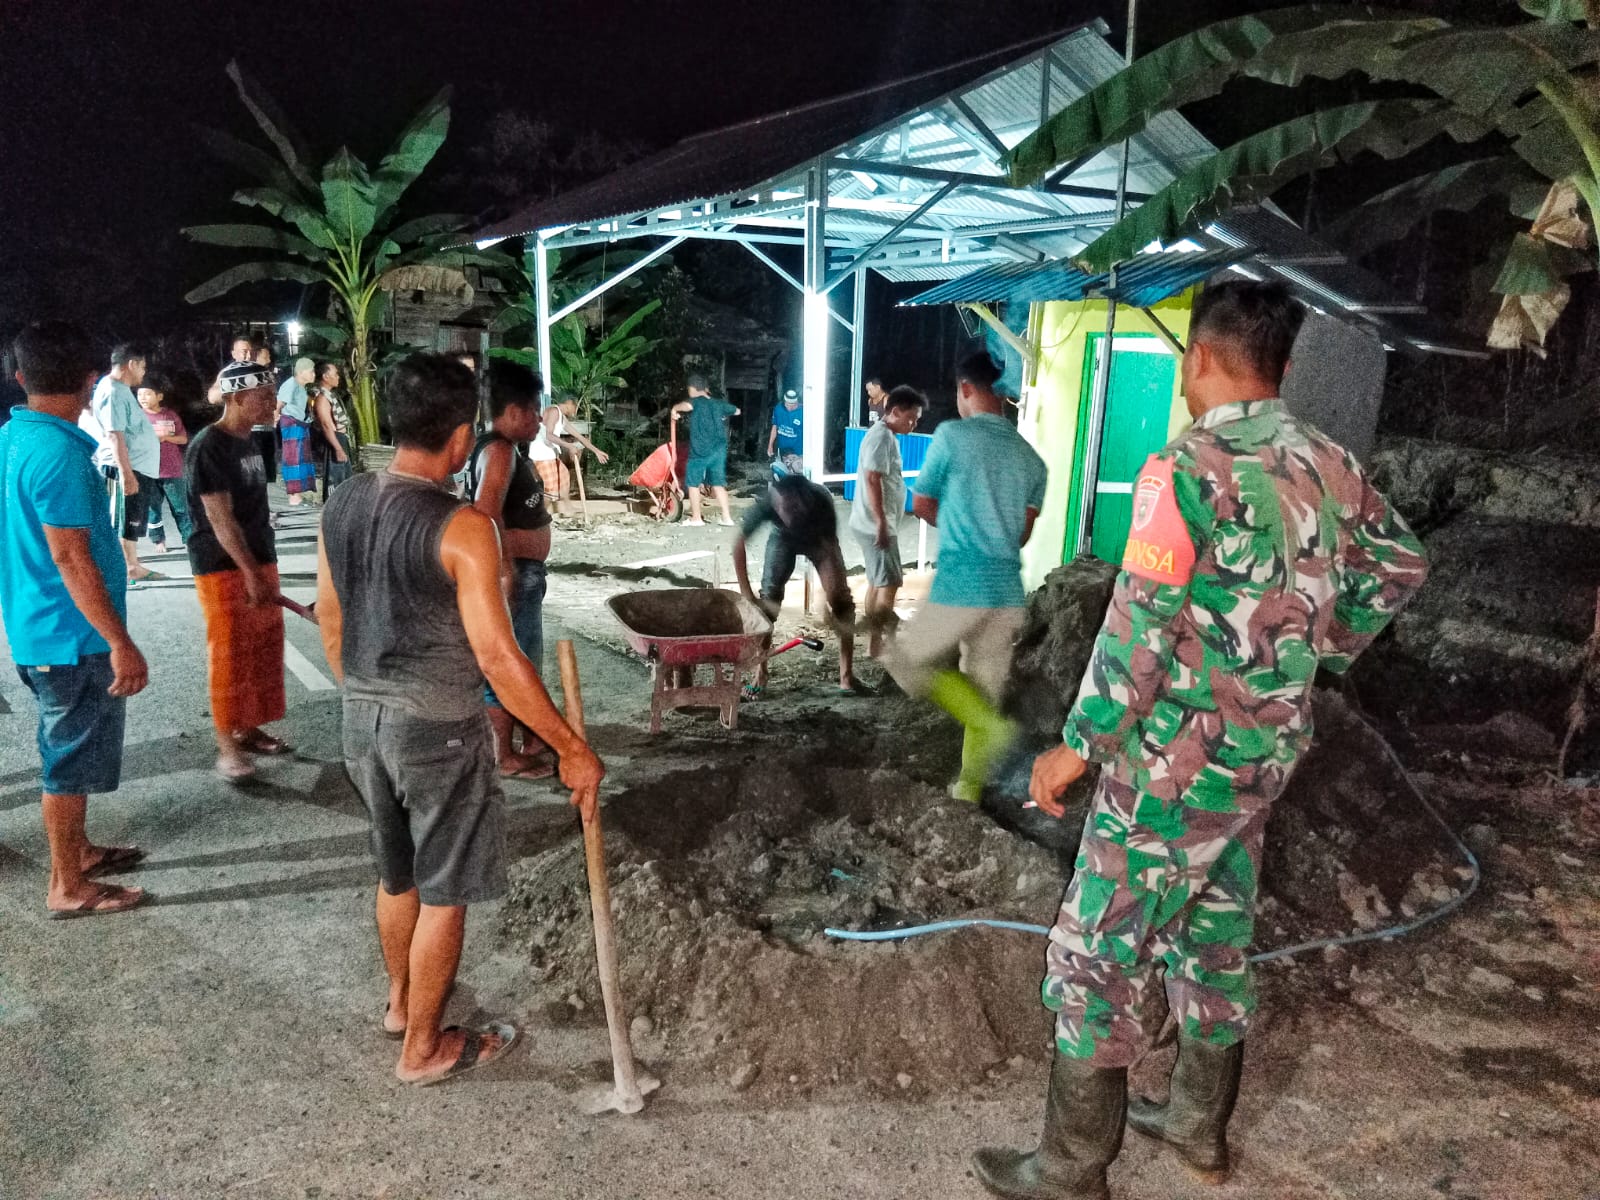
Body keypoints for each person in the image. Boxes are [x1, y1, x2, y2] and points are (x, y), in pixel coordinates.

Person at [973, 281, 1430, 1200]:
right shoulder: (1326, 460)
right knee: (1213, 931)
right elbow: (1401, 563)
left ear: (1198, 360)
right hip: (1262, 757)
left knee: (1093, 953)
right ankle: (1194, 1126)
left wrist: (1079, 744)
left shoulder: (1186, 468)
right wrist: (1320, 653)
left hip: (1171, 764)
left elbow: (1140, 624)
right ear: (1285, 366)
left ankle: (1069, 1169)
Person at [316, 353, 605, 1086]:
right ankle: (424, 1047)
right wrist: (572, 749)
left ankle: (400, 1005)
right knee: (444, 887)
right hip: (437, 730)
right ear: (461, 436)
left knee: (396, 874)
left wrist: (363, 686)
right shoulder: (464, 526)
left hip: (362, 719)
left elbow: (329, 614)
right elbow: (501, 661)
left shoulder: (344, 501)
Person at [1, 321, 150, 917]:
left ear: (20, 378)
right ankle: (67, 886)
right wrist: (121, 641)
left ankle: (79, 852)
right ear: (90, 382)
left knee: (70, 752)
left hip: (39, 629)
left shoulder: (15, 438)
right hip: (71, 638)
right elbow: (70, 556)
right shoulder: (59, 453)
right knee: (65, 759)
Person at [887, 352, 1047, 803]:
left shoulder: (952, 437)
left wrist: (962, 525)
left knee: (906, 661)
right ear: (1004, 393)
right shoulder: (1031, 459)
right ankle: (968, 792)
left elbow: (920, 504)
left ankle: (995, 730)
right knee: (984, 689)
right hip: (1007, 593)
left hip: (961, 582)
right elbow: (1021, 534)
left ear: (965, 389)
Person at [184, 360, 290, 782]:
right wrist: (250, 571)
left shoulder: (250, 441)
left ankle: (248, 728)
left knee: (263, 649)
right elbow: (220, 519)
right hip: (223, 566)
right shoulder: (210, 446)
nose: (272, 403)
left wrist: (262, 564)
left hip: (258, 557)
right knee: (229, 653)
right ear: (236, 398)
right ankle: (227, 747)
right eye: (263, 396)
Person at [468, 361, 555, 779]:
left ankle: (530, 738)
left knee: (524, 662)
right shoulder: (499, 451)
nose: (540, 419)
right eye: (536, 411)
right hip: (516, 575)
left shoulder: (505, 449)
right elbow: (486, 516)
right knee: (511, 665)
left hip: (523, 572)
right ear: (516, 411)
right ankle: (504, 755)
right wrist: (505, 573)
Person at [733, 472, 867, 698]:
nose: (789, 513)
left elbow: (829, 549)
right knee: (767, 604)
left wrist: (826, 598)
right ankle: (760, 673)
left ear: (805, 500)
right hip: (783, 538)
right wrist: (746, 593)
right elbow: (738, 544)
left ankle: (847, 676)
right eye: (784, 509)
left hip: (818, 539)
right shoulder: (770, 503)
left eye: (795, 508)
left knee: (842, 603)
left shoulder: (821, 500)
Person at [848, 385, 924, 658]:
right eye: (911, 418)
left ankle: (874, 640)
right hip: (875, 524)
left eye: (917, 420)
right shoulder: (881, 437)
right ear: (895, 412)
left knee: (877, 581)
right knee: (890, 582)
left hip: (873, 522)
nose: (913, 424)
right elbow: (872, 478)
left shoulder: (888, 436)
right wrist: (881, 522)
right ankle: (880, 642)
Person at [87, 344, 168, 586]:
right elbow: (115, 435)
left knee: (131, 520)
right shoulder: (113, 391)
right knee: (123, 521)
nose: (143, 372)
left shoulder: (119, 390)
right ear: (131, 364)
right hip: (126, 468)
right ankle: (126, 568)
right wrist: (126, 473)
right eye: (142, 367)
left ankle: (132, 564)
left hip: (136, 467)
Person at [671, 374, 739, 527]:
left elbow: (685, 407)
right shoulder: (718, 404)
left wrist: (674, 409)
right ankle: (727, 518)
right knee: (718, 484)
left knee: (693, 484)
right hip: (718, 451)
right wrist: (722, 416)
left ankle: (696, 518)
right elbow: (737, 411)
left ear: (692, 389)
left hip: (700, 451)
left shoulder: (695, 402)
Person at [136, 372, 194, 549]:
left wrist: (165, 438)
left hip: (172, 470)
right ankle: (158, 540)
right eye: (139, 394)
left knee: (181, 507)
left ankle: (189, 539)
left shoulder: (170, 416)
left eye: (147, 394)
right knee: (153, 509)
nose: (143, 398)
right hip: (148, 471)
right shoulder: (136, 417)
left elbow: (183, 439)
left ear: (159, 396)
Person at [541, 392, 609, 496]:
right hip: (540, 455)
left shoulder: (562, 418)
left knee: (562, 482)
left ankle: (565, 508)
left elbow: (580, 437)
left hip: (547, 454)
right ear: (569, 403)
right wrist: (570, 446)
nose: (576, 409)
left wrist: (597, 451)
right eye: (575, 406)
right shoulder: (554, 411)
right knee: (553, 490)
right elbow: (548, 435)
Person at [277, 357, 318, 506]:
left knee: (301, 457)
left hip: (299, 424)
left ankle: (298, 493)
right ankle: (294, 496)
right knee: (293, 456)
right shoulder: (291, 384)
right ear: (301, 372)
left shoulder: (301, 387)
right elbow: (279, 404)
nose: (314, 374)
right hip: (291, 423)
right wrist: (274, 419)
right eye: (311, 371)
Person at [311, 361, 353, 499]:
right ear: (325, 376)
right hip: (335, 439)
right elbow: (326, 425)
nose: (338, 377)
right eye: (335, 374)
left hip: (340, 438)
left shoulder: (329, 395)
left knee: (344, 479)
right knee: (335, 480)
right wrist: (338, 449)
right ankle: (333, 510)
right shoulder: (322, 398)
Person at [250, 341, 279, 490]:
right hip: (252, 430)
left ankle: (264, 505)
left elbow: (273, 399)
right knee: (254, 469)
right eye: (265, 357)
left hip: (267, 428)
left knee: (267, 470)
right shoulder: (248, 377)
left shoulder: (269, 377)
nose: (268, 360)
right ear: (255, 357)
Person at [767, 387, 803, 475]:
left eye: (793, 405)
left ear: (797, 402)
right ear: (784, 401)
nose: (790, 408)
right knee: (783, 471)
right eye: (788, 405)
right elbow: (775, 427)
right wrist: (770, 445)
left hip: (798, 449)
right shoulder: (778, 409)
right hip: (783, 448)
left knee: (797, 470)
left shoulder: (803, 411)